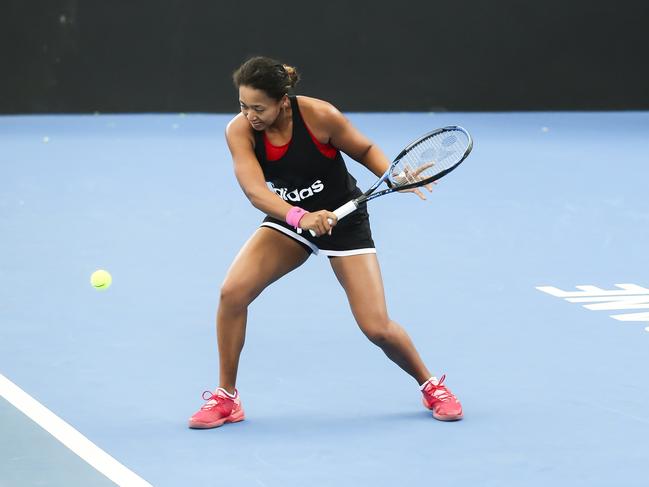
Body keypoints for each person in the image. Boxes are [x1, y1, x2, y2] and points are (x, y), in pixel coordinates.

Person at [188, 56, 463, 428]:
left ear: (282, 101)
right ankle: (226, 398)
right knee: (232, 292)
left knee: (376, 326)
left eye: (258, 107)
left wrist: (392, 174)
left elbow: (364, 150)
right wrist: (302, 217)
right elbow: (255, 192)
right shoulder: (239, 131)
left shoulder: (320, 116)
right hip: (291, 218)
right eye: (242, 106)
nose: (249, 115)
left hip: (344, 222)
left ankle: (431, 386)